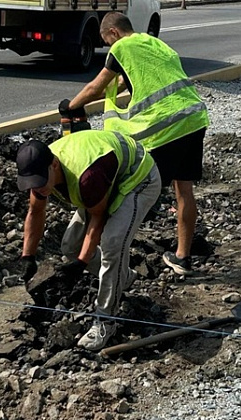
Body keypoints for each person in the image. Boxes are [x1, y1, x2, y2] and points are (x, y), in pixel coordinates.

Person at [59, 11, 210, 276]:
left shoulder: (122, 47)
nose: (109, 48)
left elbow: (97, 86)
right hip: (194, 117)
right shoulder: (153, 43)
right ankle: (182, 257)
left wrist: (70, 106)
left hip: (167, 128)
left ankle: (113, 255)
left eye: (107, 41)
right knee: (183, 189)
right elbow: (132, 78)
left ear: (114, 33)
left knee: (135, 189)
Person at [16, 131, 161, 351]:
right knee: (70, 246)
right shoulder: (41, 175)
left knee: (113, 243)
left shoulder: (87, 178)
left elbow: (98, 217)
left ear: (54, 164)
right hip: (106, 179)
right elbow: (35, 212)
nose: (39, 188)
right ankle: (123, 278)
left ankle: (105, 321)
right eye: (32, 184)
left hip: (137, 178)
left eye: (41, 181)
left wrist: (82, 263)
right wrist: (28, 256)